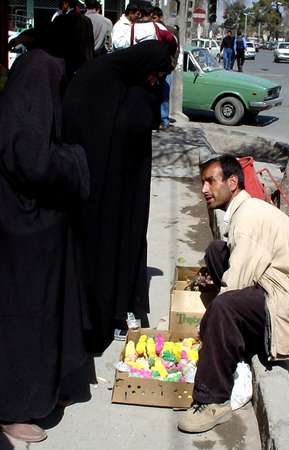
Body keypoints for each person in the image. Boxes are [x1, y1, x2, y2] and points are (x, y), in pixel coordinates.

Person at [178, 154, 289, 433]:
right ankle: (234, 339)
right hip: (272, 286)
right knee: (216, 250)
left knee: (223, 308)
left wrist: (206, 329)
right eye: (203, 182)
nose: (204, 189)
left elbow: (235, 286)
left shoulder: (249, 219)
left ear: (233, 183)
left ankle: (214, 400)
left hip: (287, 310)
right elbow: (234, 262)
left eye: (210, 182)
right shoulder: (244, 210)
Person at [0, 31, 91, 443]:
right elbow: (31, 160)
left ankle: (46, 390)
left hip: (38, 226)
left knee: (46, 315)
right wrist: (75, 161)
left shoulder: (40, 68)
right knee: (24, 321)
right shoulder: (41, 70)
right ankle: (13, 408)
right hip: (23, 229)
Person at [62, 41, 174, 353]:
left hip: (111, 184)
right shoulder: (103, 80)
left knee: (109, 246)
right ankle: (95, 318)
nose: (155, 82)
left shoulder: (123, 80)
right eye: (155, 75)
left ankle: (107, 312)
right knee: (98, 251)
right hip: (93, 185)